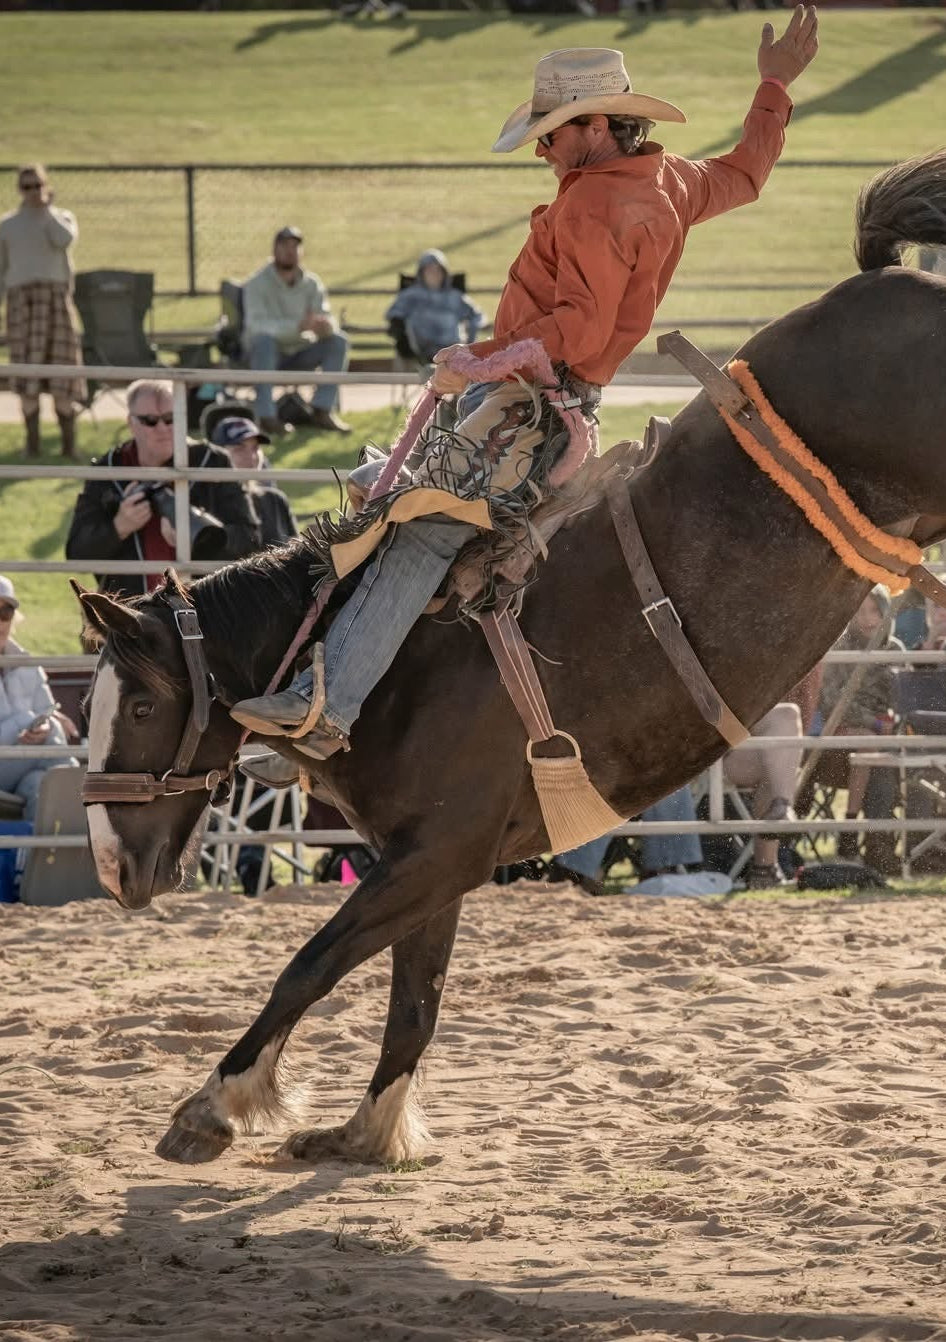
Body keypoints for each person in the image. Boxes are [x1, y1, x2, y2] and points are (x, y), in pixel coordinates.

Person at [232, 18, 819, 764]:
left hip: (529, 410)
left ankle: (328, 710)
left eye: (552, 133)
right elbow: (745, 175)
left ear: (597, 126)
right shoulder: (669, 181)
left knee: (419, 534)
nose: (542, 150)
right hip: (549, 406)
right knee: (403, 522)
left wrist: (472, 362)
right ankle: (334, 705)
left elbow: (577, 326)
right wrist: (774, 86)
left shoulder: (589, 207)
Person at [65, 379, 260, 599]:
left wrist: (199, 539)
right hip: (131, 612)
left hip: (205, 609)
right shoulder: (109, 470)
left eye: (170, 419)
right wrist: (119, 527)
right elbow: (76, 552)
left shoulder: (212, 462)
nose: (163, 429)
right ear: (131, 423)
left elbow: (250, 539)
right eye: (150, 421)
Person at [0, 164, 85, 459]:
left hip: (55, 301)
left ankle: (68, 447)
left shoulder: (61, 218)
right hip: (21, 303)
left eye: (38, 185)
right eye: (27, 187)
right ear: (19, 190)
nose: (34, 192)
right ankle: (32, 446)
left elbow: (64, 240)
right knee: (27, 379)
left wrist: (46, 211)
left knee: (63, 375)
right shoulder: (7, 225)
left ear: (46, 186)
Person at [816, 586, 902, 868]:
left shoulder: (894, 649)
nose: (867, 619)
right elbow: (831, 702)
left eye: (874, 611)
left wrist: (891, 720)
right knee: (870, 742)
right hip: (840, 732)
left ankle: (880, 847)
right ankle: (852, 828)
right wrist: (873, 722)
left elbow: (902, 697)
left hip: (884, 739)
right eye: (860, 611)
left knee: (883, 757)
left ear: (885, 612)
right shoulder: (840, 648)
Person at [242, 226, 351, 438]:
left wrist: (324, 326)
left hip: (301, 352)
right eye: (284, 245)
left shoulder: (312, 284)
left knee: (338, 341)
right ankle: (267, 417)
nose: (290, 251)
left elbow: (325, 316)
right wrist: (298, 327)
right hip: (264, 356)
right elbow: (256, 327)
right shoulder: (256, 284)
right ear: (274, 249)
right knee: (263, 342)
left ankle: (322, 410)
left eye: (295, 246)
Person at [0, 576, 78, 823]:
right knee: (38, 722)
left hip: (27, 764)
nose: (0, 621)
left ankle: (41, 860)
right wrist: (26, 726)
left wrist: (40, 726)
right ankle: (82, 782)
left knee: (40, 787)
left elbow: (46, 711)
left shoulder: (27, 663)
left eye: (6, 611)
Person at [722, 702, 804, 887]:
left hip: (726, 735)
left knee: (777, 764)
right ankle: (782, 807)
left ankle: (764, 869)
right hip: (694, 741)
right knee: (785, 721)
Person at [211, 416, 299, 548]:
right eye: (239, 448)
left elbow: (298, 555)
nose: (252, 456)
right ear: (219, 454)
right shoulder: (210, 503)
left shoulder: (276, 500)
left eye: (255, 448)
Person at [385, 250, 484, 365]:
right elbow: (394, 314)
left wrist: (471, 338)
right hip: (421, 350)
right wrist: (398, 327)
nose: (434, 273)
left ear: (444, 272)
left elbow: (477, 315)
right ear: (421, 272)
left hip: (452, 351)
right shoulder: (411, 296)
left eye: (438, 270)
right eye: (430, 270)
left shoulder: (455, 296)